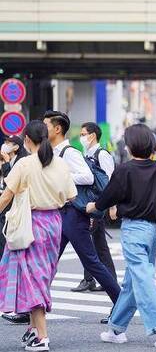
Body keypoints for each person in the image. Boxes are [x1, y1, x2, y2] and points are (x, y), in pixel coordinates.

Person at [87, 124, 156, 348]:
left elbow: (109, 195)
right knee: (132, 280)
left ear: (130, 145)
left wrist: (94, 206)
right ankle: (116, 329)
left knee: (142, 277)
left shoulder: (125, 170)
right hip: (154, 232)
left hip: (134, 230)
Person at [0, 120, 77, 352]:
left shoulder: (24, 164)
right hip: (54, 223)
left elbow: (6, 196)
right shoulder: (61, 164)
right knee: (41, 276)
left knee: (32, 278)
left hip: (31, 223)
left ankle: (42, 336)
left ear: (26, 140)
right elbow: (71, 196)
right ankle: (33, 329)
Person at [43, 110, 120, 324]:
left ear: (57, 129)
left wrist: (62, 176)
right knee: (49, 261)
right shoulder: (52, 151)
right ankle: (32, 305)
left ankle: (120, 303)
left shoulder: (69, 152)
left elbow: (86, 177)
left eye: (46, 125)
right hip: (61, 213)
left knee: (93, 262)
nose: (43, 129)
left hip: (74, 215)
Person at [70, 122, 117, 294]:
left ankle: (104, 279)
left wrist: (109, 206)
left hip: (98, 204)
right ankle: (91, 279)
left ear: (92, 135)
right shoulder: (85, 154)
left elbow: (110, 182)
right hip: (88, 204)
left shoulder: (102, 154)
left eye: (83, 134)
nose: (81, 137)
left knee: (96, 243)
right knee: (90, 242)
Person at [0, 135, 31, 325]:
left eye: (10, 143)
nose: (5, 146)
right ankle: (25, 309)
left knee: (21, 262)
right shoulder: (14, 161)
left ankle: (27, 309)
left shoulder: (21, 163)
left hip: (19, 216)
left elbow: (9, 192)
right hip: (16, 216)